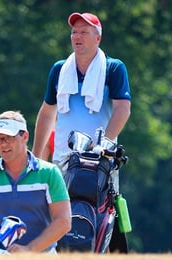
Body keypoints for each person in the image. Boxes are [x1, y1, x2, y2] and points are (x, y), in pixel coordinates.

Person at [32, 12, 131, 184]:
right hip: (62, 162)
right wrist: (35, 158)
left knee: (105, 202)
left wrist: (103, 145)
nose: (77, 36)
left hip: (100, 163)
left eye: (84, 32)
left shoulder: (113, 68)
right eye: (74, 32)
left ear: (98, 38)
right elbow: (47, 114)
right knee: (56, 202)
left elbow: (123, 109)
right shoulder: (59, 69)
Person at [0, 111, 71, 253]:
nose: (3, 144)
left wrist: (30, 249)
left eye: (9, 138)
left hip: (42, 258)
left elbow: (63, 221)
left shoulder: (49, 173)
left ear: (25, 136)